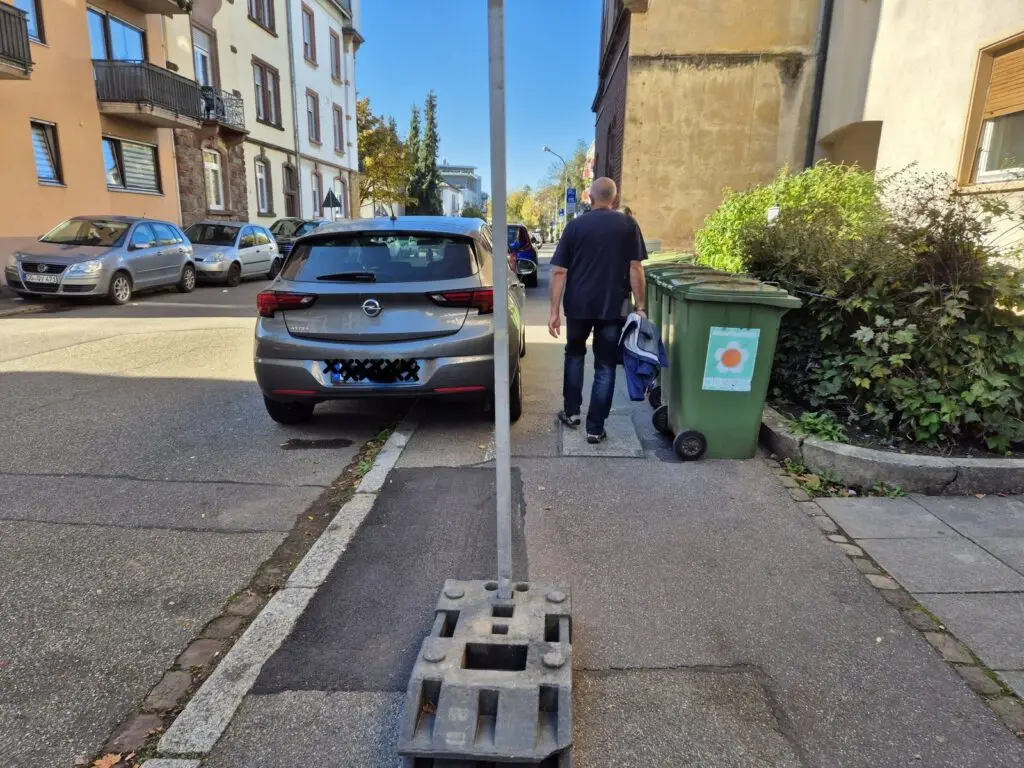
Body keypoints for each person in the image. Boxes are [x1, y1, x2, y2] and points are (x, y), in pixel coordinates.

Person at [548, 177, 648, 443]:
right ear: (614, 198)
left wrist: (554, 312)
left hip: (578, 307)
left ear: (590, 198)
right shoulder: (628, 225)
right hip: (612, 308)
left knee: (575, 355)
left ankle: (571, 414)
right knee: (605, 366)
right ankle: (594, 428)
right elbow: (635, 268)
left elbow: (559, 272)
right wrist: (640, 307)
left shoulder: (575, 227)